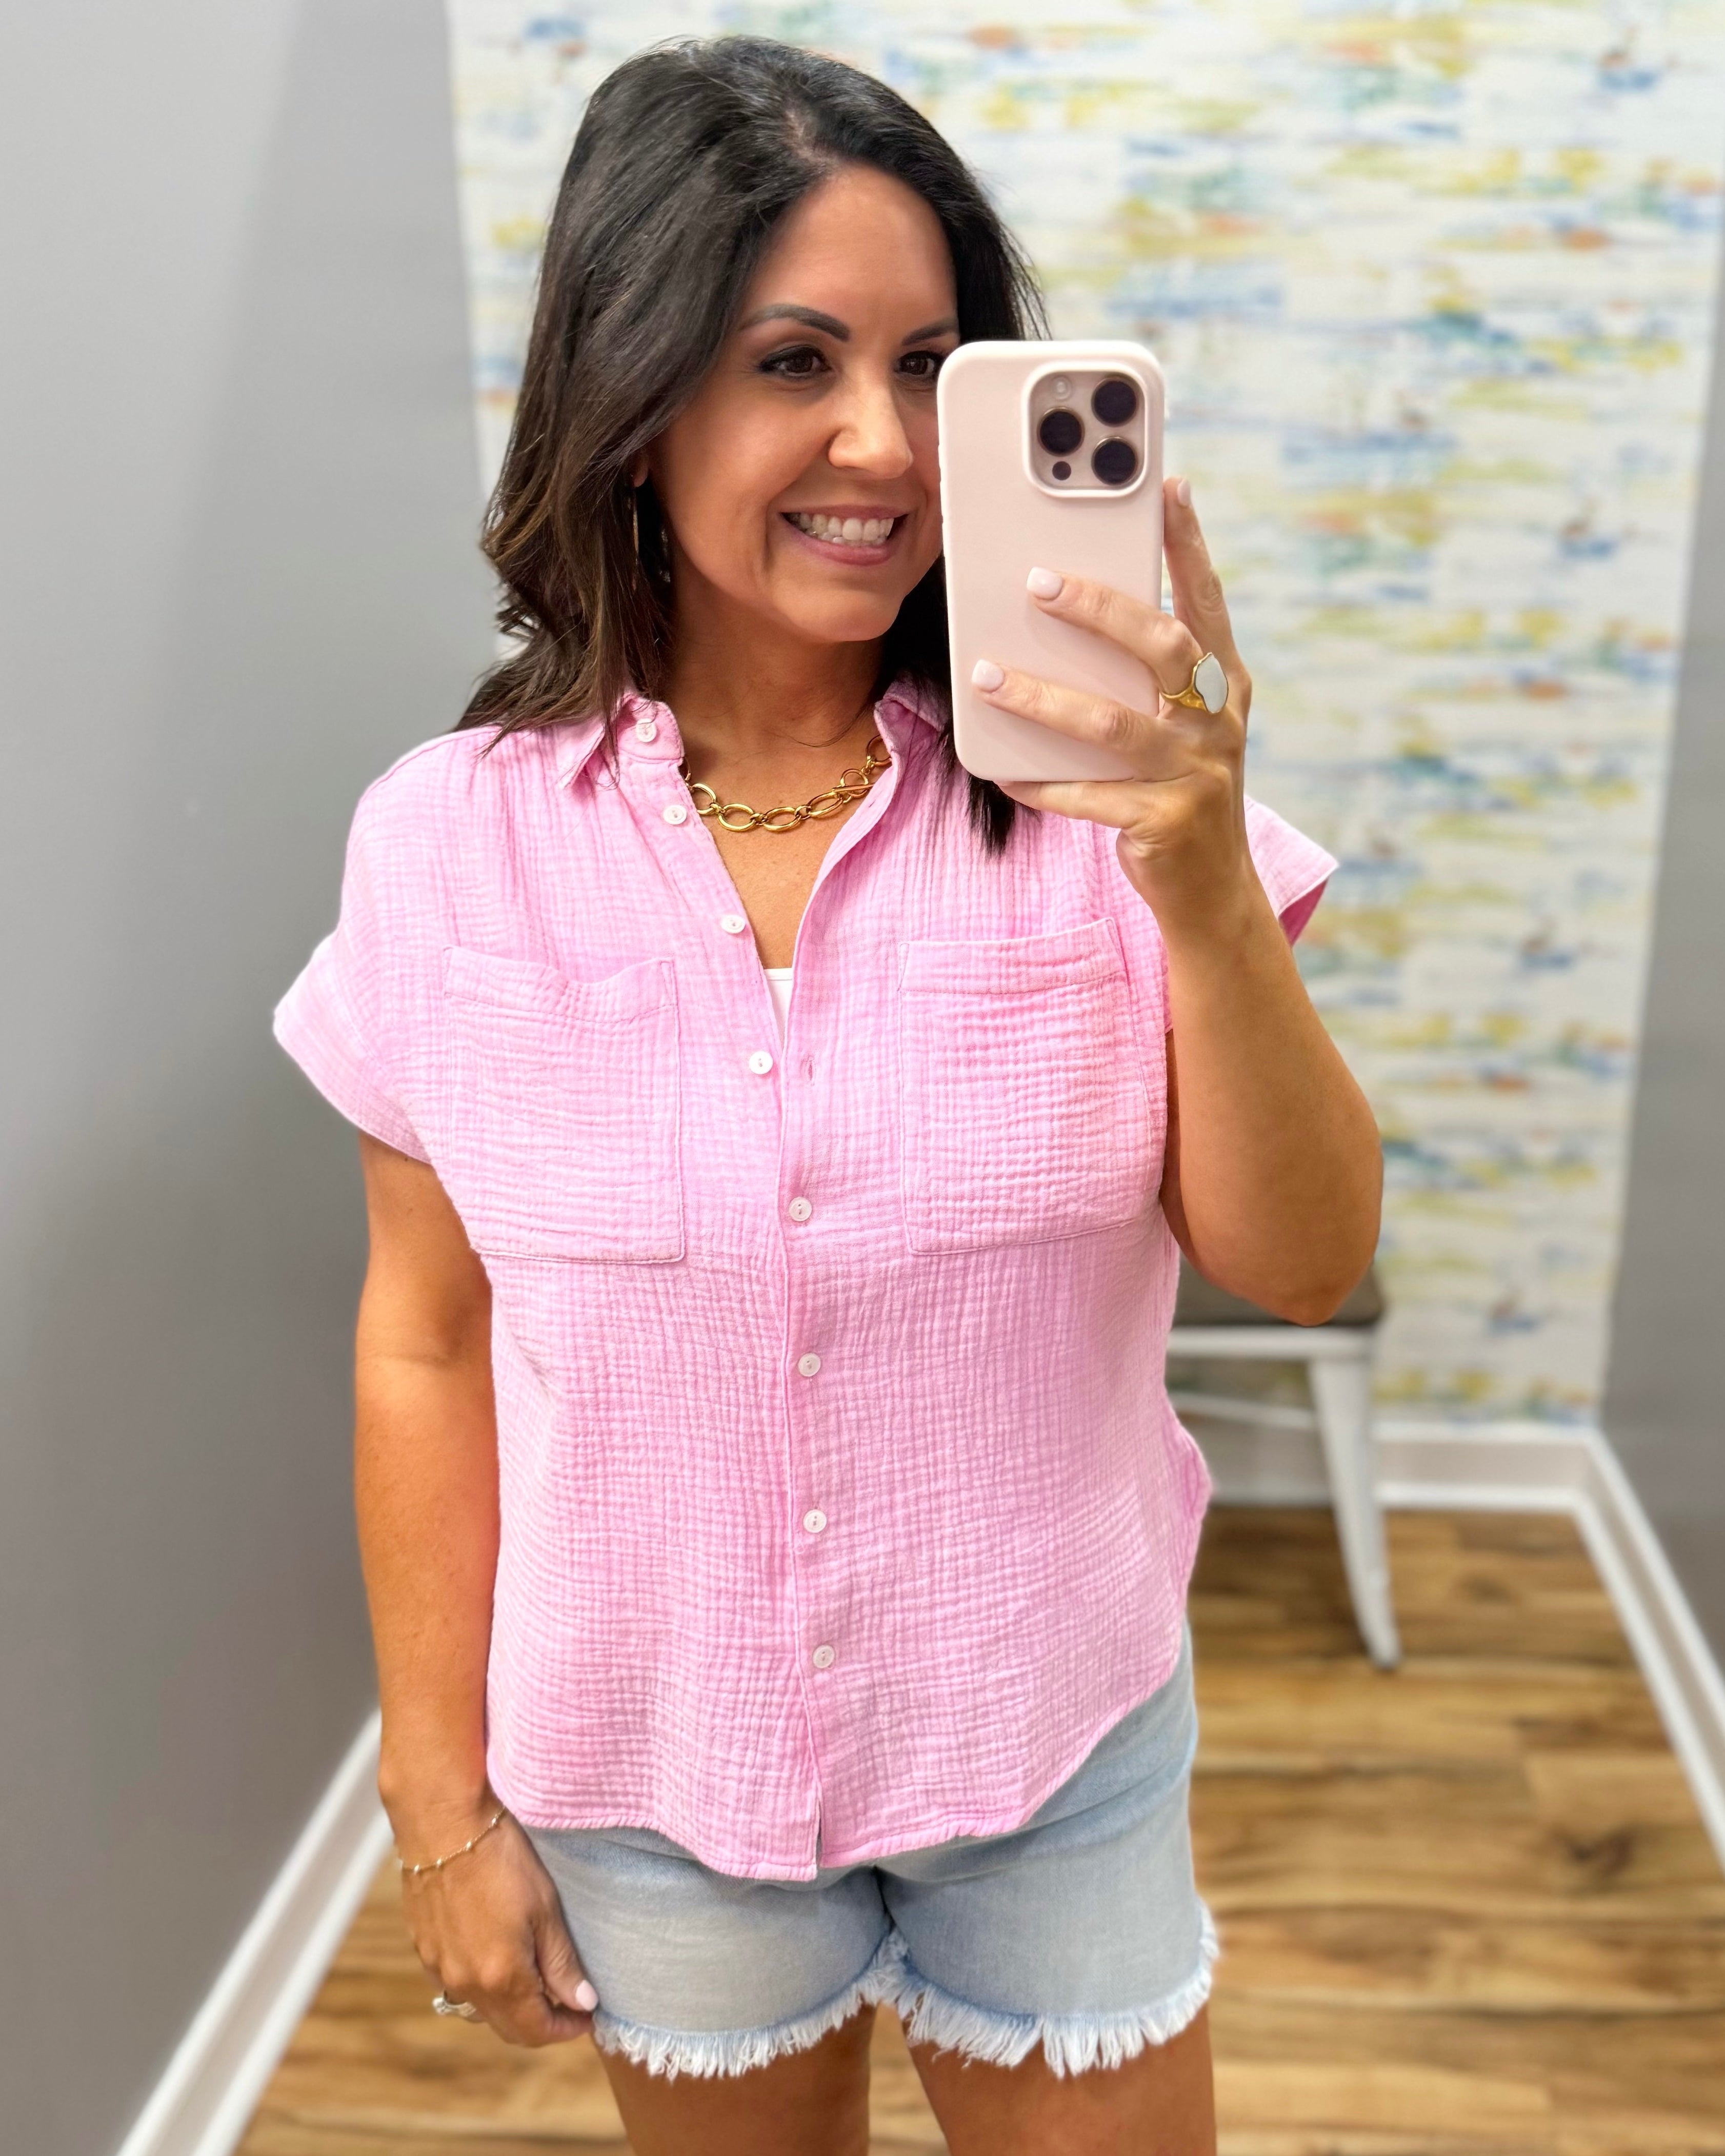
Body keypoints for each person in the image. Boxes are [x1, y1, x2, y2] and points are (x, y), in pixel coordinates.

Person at [274, 34, 1381, 2156]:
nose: (878, 440)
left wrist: (1198, 880)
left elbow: (1307, 1260)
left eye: (932, 364)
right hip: (655, 1774)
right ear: (635, 400)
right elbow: (424, 1333)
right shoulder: (446, 844)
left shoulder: (1113, 815)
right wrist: (436, 1797)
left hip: (1050, 1739)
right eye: (792, 359)